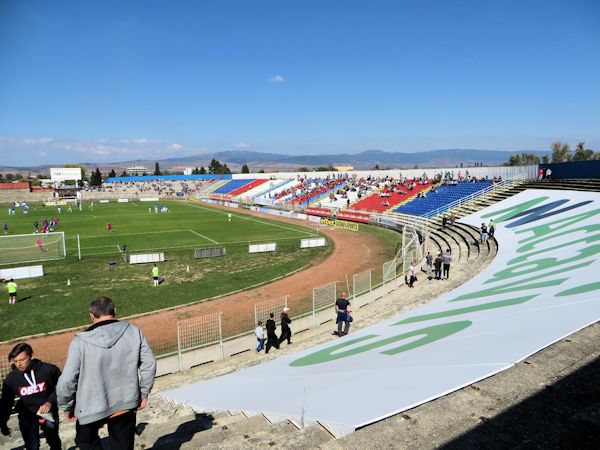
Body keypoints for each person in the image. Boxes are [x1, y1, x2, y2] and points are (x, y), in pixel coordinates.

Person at [57, 296, 156, 450]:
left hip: (90, 406)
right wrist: (144, 392)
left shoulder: (79, 342)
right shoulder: (134, 332)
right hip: (125, 402)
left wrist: (67, 406)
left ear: (91, 315)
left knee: (85, 441)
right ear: (114, 311)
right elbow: (149, 364)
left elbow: (67, 380)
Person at [0, 343, 62, 450]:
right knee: (32, 446)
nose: (18, 364)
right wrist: (3, 422)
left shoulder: (49, 370)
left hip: (48, 412)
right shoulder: (11, 379)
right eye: (15, 361)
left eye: (22, 360)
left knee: (54, 442)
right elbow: (7, 402)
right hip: (27, 415)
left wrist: (50, 401)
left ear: (31, 356)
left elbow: (62, 387)